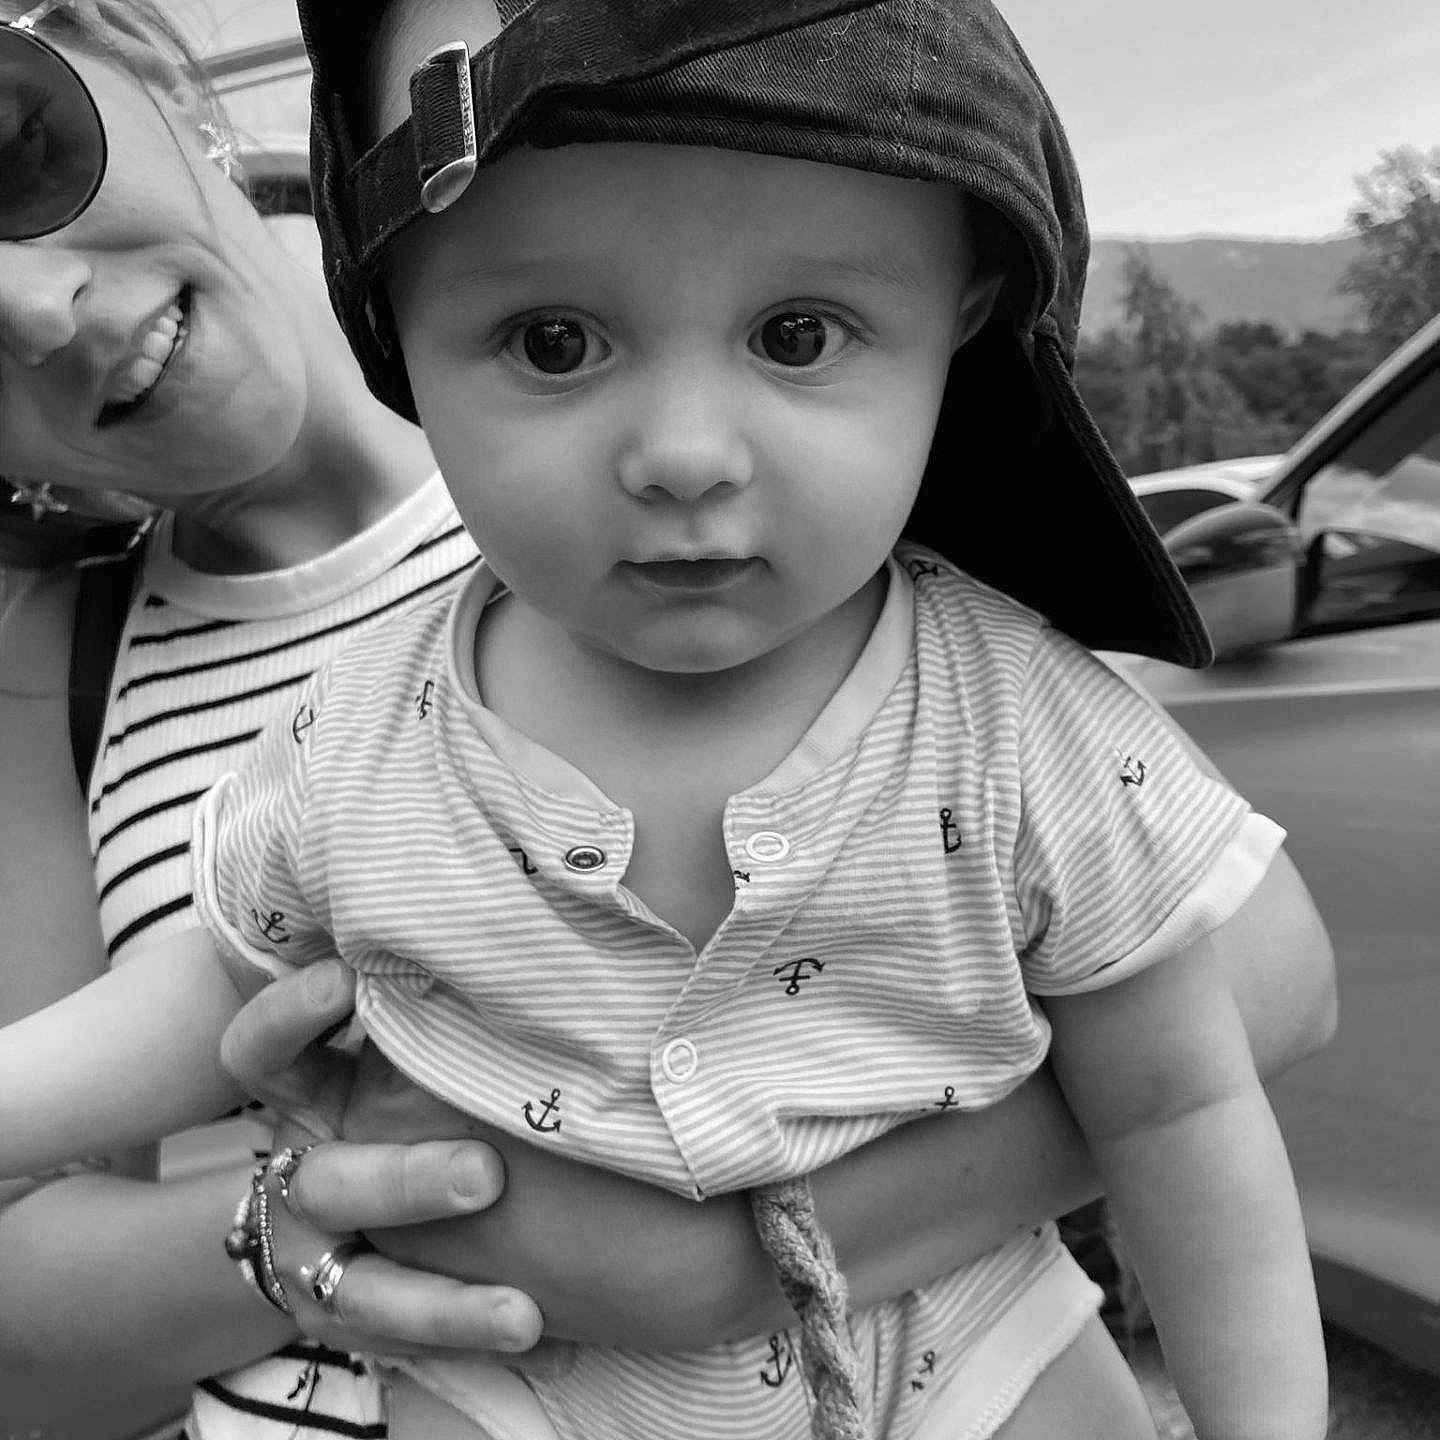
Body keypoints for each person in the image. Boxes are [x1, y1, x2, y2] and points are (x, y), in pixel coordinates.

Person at [0, 2, 1337, 1438]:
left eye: (799, 331)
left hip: (969, 1354)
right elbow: (209, 987)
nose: (685, 454)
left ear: (962, 307)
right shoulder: (353, 742)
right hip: (518, 1392)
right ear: (402, 325)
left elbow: (1184, 1105)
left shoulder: (1018, 719)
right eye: (557, 341)